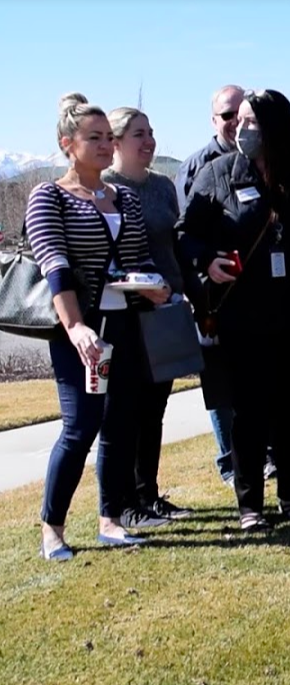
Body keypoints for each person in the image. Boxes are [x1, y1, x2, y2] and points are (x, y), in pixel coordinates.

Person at [27, 93, 172, 560]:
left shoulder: (123, 196)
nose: (107, 146)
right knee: (81, 425)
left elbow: (138, 257)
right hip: (82, 329)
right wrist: (76, 329)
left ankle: (111, 518)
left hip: (124, 323)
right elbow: (57, 266)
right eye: (96, 138)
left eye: (110, 138)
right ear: (68, 144)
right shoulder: (48, 196)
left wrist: (154, 285)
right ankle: (53, 527)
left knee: (121, 422)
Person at [175, 89, 290, 532]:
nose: (242, 130)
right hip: (244, 315)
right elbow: (186, 235)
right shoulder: (219, 174)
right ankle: (249, 507)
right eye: (238, 121)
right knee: (249, 412)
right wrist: (207, 261)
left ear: (277, 127)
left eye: (252, 123)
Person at [103, 106, 193, 525]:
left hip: (166, 312)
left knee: (154, 411)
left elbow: (175, 245)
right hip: (126, 315)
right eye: (139, 134)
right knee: (127, 413)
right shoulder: (105, 188)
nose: (149, 141)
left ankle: (149, 495)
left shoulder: (162, 186)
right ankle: (123, 503)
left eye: (151, 133)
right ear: (116, 142)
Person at [176, 84, 246, 486]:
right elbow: (183, 233)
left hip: (255, 293)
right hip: (212, 293)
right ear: (213, 120)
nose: (235, 121)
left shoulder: (259, 159)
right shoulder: (198, 165)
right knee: (219, 381)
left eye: (242, 113)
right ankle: (228, 459)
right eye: (227, 115)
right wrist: (200, 279)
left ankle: (261, 453)